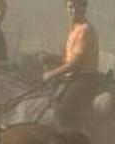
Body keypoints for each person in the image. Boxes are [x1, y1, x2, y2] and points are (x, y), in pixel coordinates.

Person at [43, 0, 101, 131]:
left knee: (63, 112)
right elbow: (70, 59)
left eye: (77, 7)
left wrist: (51, 74)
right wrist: (51, 58)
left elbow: (75, 64)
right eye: (70, 7)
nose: (73, 10)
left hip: (85, 79)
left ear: (84, 7)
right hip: (74, 78)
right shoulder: (74, 29)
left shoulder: (85, 30)